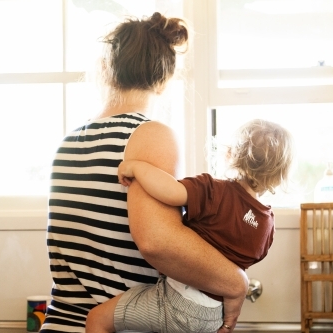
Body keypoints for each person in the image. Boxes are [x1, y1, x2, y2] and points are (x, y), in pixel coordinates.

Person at [42, 12, 249, 333]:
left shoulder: (68, 144)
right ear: (165, 79)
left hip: (61, 324)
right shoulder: (150, 134)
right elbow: (156, 241)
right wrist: (236, 281)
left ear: (107, 69)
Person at [85, 119, 295, 333]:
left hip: (177, 303)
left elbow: (170, 191)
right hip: (215, 315)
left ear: (231, 154)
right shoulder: (268, 224)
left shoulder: (214, 190)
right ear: (279, 174)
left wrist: (137, 167)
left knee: (97, 319)